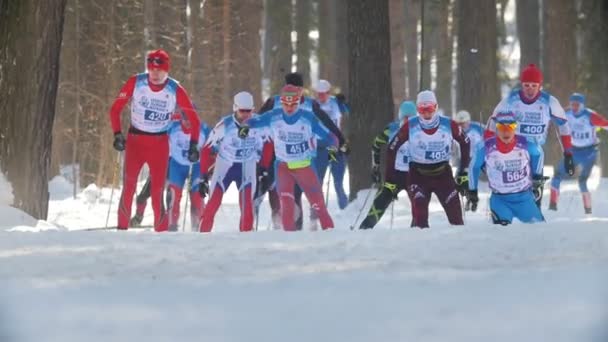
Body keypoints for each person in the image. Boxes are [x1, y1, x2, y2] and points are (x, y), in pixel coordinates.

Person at [108, 49, 201, 232]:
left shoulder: (174, 89)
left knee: (157, 192)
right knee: (129, 187)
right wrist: (117, 134)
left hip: (159, 144)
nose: (155, 74)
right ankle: (121, 231)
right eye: (152, 70)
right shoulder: (136, 82)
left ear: (167, 71)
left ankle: (162, 236)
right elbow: (115, 109)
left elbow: (194, 120)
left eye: (160, 70)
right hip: (136, 141)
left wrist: (193, 145)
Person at [255, 72, 348, 230]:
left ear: (301, 89)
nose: (294, 93)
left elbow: (326, 123)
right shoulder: (274, 101)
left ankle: (305, 225)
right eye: (290, 88)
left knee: (308, 194)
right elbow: (258, 118)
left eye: (297, 89)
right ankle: (289, 226)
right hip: (277, 153)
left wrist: (340, 140)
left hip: (304, 156)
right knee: (283, 193)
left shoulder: (310, 105)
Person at [486, 64, 574, 207]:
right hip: (512, 147)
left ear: (540, 85)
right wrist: (488, 146)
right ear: (522, 85)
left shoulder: (549, 102)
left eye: (534, 85)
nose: (530, 89)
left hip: (535, 149)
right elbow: (493, 120)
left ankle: (535, 195)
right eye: (526, 85)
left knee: (536, 151)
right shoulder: (511, 99)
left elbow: (564, 125)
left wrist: (568, 154)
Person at [386, 90, 470, 228]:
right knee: (420, 219)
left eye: (429, 109)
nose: (426, 114)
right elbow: (391, 148)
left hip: (443, 175)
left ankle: (458, 247)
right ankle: (419, 245)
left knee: (456, 219)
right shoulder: (410, 125)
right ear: (417, 110)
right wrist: (390, 179)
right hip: (418, 176)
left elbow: (465, 142)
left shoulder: (448, 124)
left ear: (435, 107)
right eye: (422, 110)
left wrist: (463, 172)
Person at [199, 92, 268, 232]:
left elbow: (269, 144)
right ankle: (202, 237)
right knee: (213, 205)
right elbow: (206, 148)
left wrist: (263, 167)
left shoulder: (259, 123)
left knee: (247, 208)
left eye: (249, 111)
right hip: (225, 167)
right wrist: (203, 175)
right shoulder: (225, 125)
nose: (246, 115)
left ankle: (246, 242)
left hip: (247, 166)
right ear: (235, 109)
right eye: (242, 111)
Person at [469, 111, 544, 225]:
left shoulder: (527, 143)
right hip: (500, 200)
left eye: (511, 126)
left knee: (541, 231)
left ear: (515, 127)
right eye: (501, 126)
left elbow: (539, 154)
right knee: (502, 234)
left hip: (524, 199)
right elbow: (473, 167)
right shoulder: (484, 147)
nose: (506, 130)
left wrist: (537, 176)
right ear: (496, 128)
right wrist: (472, 191)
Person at [360, 101, 417, 229]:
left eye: (411, 118)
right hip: (394, 178)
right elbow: (376, 145)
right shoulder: (391, 129)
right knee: (379, 203)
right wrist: (375, 167)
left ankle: (416, 233)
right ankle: (364, 230)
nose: (407, 121)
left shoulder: (421, 130)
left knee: (419, 207)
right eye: (405, 118)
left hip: (413, 177)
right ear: (400, 117)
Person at [549, 93, 608, 214]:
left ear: (582, 105)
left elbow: (606, 124)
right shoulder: (567, 113)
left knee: (582, 182)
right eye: (572, 104)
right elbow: (551, 117)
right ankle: (552, 206)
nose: (575, 107)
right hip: (573, 151)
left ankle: (588, 209)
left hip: (589, 153)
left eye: (577, 105)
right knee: (556, 177)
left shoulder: (590, 116)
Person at [309, 79, 349, 230]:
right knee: (317, 183)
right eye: (319, 94)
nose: (321, 97)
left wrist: (344, 101)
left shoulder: (335, 103)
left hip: (336, 146)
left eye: (324, 94)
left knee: (338, 182)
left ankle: (346, 212)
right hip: (319, 147)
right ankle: (314, 215)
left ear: (329, 92)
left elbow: (350, 110)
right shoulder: (312, 105)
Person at [165, 115, 210, 231]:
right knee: (174, 195)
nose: (188, 122)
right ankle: (172, 225)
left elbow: (214, 145)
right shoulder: (173, 127)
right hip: (177, 166)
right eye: (185, 119)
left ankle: (198, 225)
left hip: (195, 167)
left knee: (197, 196)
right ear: (181, 119)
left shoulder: (203, 129)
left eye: (191, 119)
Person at [453, 110, 484, 211]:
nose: (462, 126)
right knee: (460, 178)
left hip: (477, 157)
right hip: (464, 159)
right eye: (459, 124)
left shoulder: (477, 128)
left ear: (468, 121)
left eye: (464, 123)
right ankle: (466, 198)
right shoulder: (457, 132)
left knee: (470, 177)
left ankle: (473, 199)